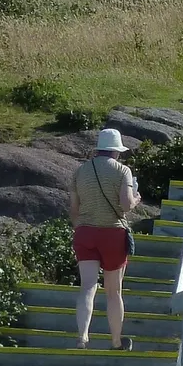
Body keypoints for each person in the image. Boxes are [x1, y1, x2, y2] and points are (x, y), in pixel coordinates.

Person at [69, 129, 141, 350]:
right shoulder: (122, 170)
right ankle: (116, 341)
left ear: (98, 149)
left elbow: (74, 209)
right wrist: (137, 199)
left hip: (85, 233)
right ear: (116, 151)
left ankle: (82, 337)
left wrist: (81, 227)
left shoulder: (80, 171)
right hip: (112, 233)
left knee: (87, 287)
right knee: (113, 291)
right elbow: (126, 205)